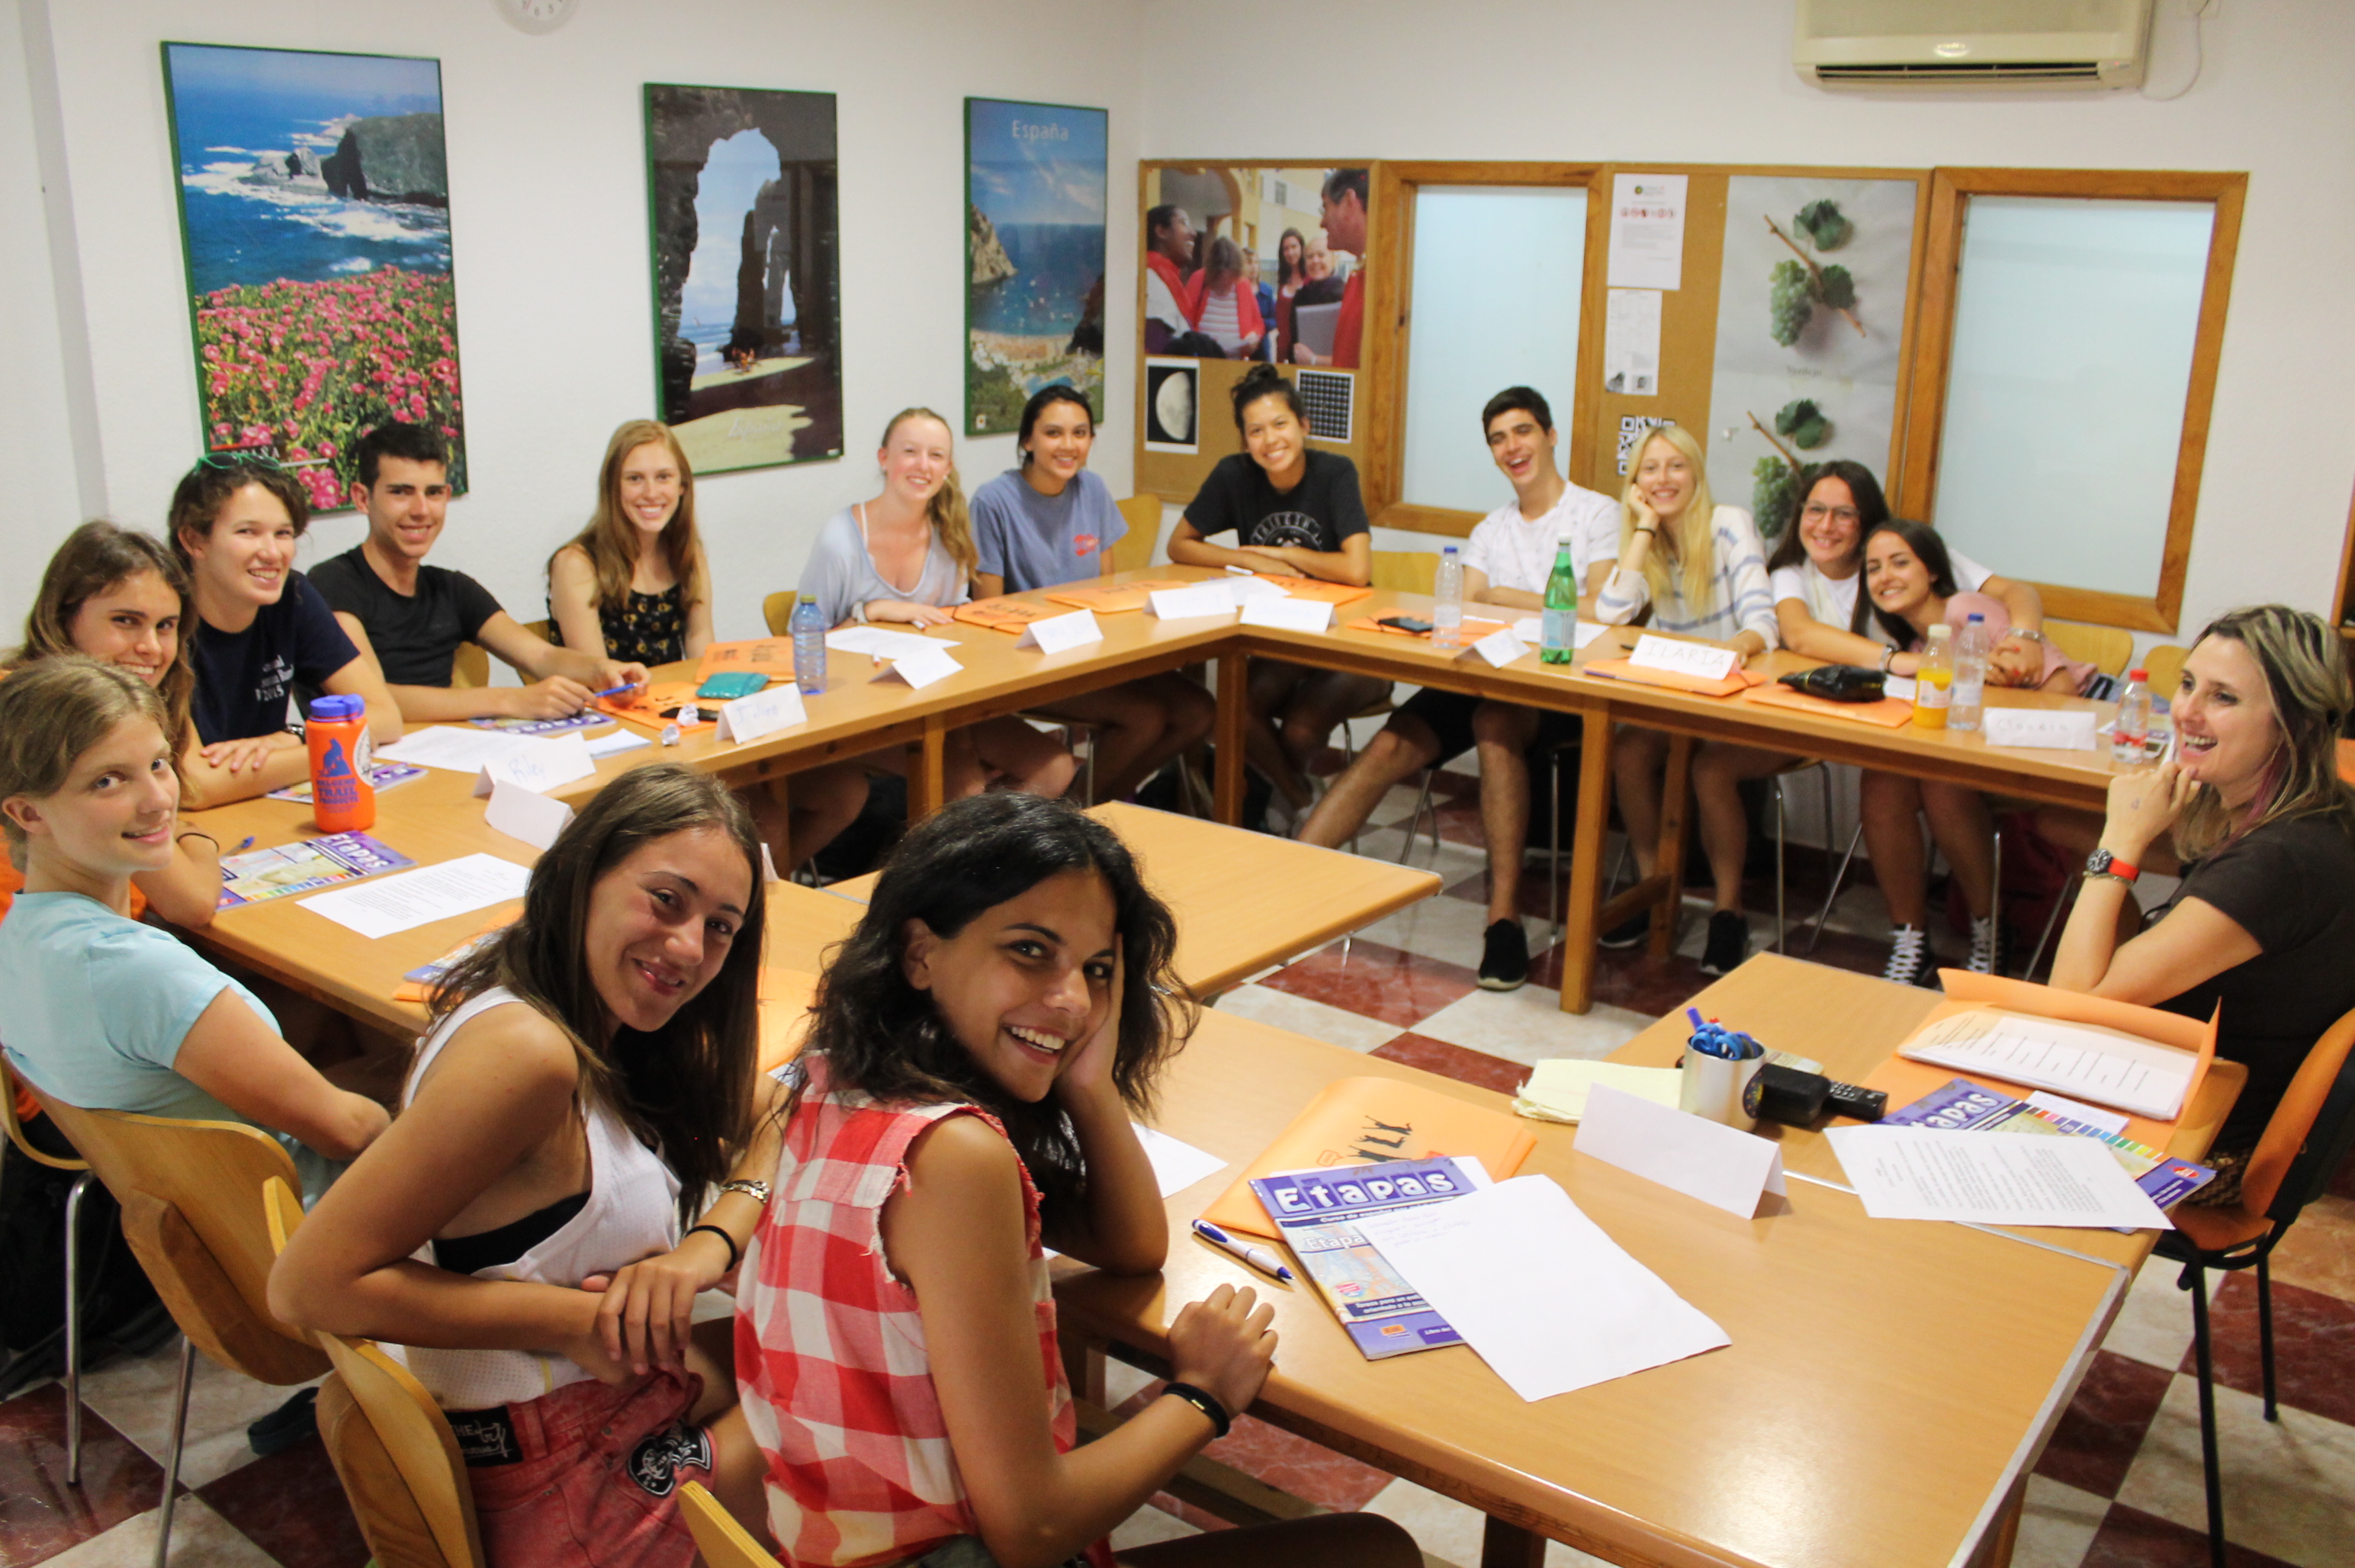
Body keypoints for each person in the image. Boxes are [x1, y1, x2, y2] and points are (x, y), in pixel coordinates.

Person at [735, 792, 1422, 1568]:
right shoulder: (954, 1158)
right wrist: (1202, 1393)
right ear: (921, 952)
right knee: (1374, 1549)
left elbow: (1130, 1244)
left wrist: (1089, 1085)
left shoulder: (824, 1082)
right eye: (1030, 950)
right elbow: (1032, 1531)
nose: (1070, 1000)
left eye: (1096, 970)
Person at [269, 764, 783, 1566]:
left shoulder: (585, 1009)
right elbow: (307, 1285)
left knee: (814, 1360)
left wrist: (709, 1241)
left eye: (722, 927)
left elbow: (781, 1110)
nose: (689, 946)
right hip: (563, 1479)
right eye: (666, 900)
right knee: (865, 1394)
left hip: (576, 1416)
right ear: (584, 876)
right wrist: (578, 1322)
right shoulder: (529, 1057)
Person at [0, 659, 389, 1202]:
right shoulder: (137, 972)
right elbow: (349, 1132)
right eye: (108, 781)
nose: (159, 800)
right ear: (28, 813)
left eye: (159, 763)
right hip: (315, 1226)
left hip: (214, 1223)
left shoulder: (19, 936)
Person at [1299, 387, 1618, 989]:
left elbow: (1601, 611)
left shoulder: (1597, 513)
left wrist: (1502, 598)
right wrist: (1493, 604)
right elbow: (1465, 611)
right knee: (1390, 745)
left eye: (1522, 432)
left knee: (1495, 728)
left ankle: (1504, 923)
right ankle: (1287, 871)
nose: (1511, 448)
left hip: (1561, 687)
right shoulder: (1491, 528)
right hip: (1485, 674)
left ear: (1551, 437)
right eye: (1498, 439)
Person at [2049, 606, 2355, 1205]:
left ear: (2292, 722)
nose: (2186, 710)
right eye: (2187, 684)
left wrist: (2120, 842)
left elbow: (2071, 1006)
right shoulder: (2326, 812)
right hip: (2201, 1104)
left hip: (2203, 1153)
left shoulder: (2279, 864)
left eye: (2223, 698)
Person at [786, 409, 1075, 866]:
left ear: (948, 468)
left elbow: (954, 628)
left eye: (936, 455)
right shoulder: (841, 539)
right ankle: (936, 877)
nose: (923, 465)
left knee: (1054, 766)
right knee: (966, 788)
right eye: (909, 452)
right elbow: (802, 644)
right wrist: (870, 611)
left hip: (943, 703)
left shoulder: (950, 534)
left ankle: (968, 866)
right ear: (884, 458)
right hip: (868, 714)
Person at [1854, 519, 2089, 984]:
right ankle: (1909, 940)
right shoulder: (1920, 648)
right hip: (1973, 755)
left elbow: (2058, 687)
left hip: (2056, 743)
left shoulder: (1968, 611)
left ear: (1933, 572)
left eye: (1901, 563)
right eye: (1874, 568)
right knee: (1881, 778)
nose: (1886, 577)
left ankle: (1989, 935)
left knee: (1943, 786)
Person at [1590, 426, 1779, 975]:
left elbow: (1763, 623)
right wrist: (1644, 527)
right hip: (1678, 699)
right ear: (1635, 483)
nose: (1663, 479)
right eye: (1650, 469)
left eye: (1676, 466)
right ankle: (1654, 888)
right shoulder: (1647, 539)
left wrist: (1727, 654)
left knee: (1709, 769)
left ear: (1697, 473)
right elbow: (1610, 613)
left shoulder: (1728, 524)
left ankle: (1728, 911)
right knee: (1626, 753)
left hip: (1735, 695)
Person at [312, 423, 650, 722]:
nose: (421, 510)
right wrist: (509, 699)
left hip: (447, 753)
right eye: (400, 492)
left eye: (433, 493)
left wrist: (603, 671)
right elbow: (374, 701)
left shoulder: (451, 587)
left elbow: (541, 656)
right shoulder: (332, 583)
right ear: (361, 497)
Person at [972, 386, 1215, 802]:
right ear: (1028, 441)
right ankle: (1083, 810)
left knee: (1200, 711)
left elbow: (1107, 590)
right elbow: (986, 611)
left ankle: (1096, 799)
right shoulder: (993, 501)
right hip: (1033, 661)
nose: (1069, 446)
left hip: (1094, 651)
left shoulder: (1094, 489)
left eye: (1080, 433)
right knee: (1145, 718)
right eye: (1053, 433)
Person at [1169, 365, 1383, 820]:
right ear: (1245, 441)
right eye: (1256, 431)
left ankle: (1286, 802)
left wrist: (1284, 555)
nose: (1270, 440)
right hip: (1281, 640)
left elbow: (1357, 571)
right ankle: (1302, 800)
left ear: (1304, 426)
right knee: (1231, 710)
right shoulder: (1234, 475)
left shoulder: (1334, 473)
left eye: (1281, 424)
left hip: (1349, 641)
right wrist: (1249, 560)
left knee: (1302, 730)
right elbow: (1179, 544)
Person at [7, 522, 224, 927]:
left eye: (166, 626)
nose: (152, 648)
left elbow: (200, 780)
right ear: (63, 618)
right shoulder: (60, 713)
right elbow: (192, 904)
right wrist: (198, 839)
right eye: (126, 621)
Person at [169, 454, 403, 807]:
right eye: (247, 532)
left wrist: (294, 736)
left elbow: (385, 718)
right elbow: (196, 785)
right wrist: (330, 748)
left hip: (257, 803)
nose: (272, 552)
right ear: (194, 541)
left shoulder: (293, 597)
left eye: (283, 533)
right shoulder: (161, 621)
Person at [548, 420, 716, 669]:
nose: (651, 493)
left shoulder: (689, 553)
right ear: (612, 487)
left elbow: (699, 642)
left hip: (671, 700)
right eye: (635, 478)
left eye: (663, 477)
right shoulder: (576, 564)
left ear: (682, 486)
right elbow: (598, 678)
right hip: (602, 703)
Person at [1291, 169, 1366, 368]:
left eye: (1325, 208)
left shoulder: (1379, 278)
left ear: (1349, 202)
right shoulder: (1358, 278)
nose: (1322, 222)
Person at [1142, 204, 1219, 358]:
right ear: (1161, 232)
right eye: (1184, 223)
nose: (1193, 233)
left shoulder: (1167, 278)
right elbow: (1155, 348)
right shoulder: (1149, 278)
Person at [1185, 236, 1265, 360]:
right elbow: (1185, 323)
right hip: (1203, 362)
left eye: (1231, 279)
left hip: (1235, 362)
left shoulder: (1243, 285)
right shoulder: (1198, 280)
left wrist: (1254, 336)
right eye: (1221, 279)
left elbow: (1258, 324)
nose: (1226, 285)